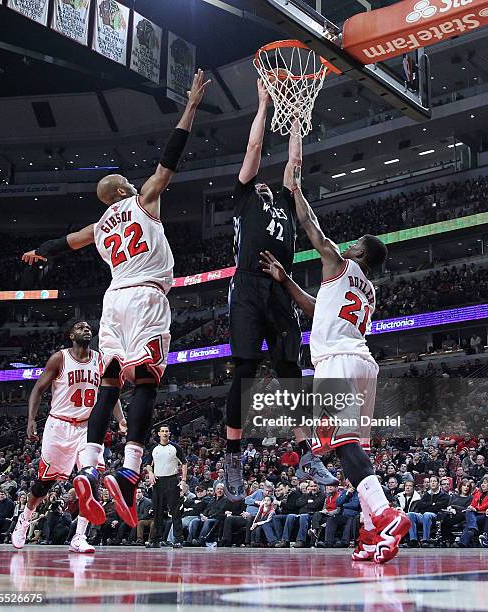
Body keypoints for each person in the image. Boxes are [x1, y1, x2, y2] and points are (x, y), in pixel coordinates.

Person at [21, 71, 210, 529]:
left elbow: (66, 242)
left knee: (110, 384)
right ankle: (127, 472)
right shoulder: (143, 200)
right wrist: (190, 107)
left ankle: (89, 465)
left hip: (112, 303)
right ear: (124, 190)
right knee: (146, 382)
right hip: (146, 297)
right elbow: (169, 162)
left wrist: (39, 251)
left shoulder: (100, 227)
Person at [259, 170, 410, 564]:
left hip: (337, 361)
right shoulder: (368, 290)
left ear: (359, 253)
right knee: (355, 447)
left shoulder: (339, 263)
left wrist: (295, 194)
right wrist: (286, 280)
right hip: (364, 363)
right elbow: (317, 309)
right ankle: (370, 534)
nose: (348, 245)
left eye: (355, 244)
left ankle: (384, 514)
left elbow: (312, 228)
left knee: (342, 445)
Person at [224, 79, 335, 502]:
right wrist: (265, 103)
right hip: (249, 287)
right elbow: (254, 150)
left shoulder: (286, 204)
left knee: (291, 370)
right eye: (260, 183)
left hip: (279, 288)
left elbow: (295, 161)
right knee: (246, 372)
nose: (266, 183)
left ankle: (307, 450)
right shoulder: (244, 198)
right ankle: (233, 456)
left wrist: (295, 112)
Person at [11, 322, 125, 553]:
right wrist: (31, 419)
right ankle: (25, 519)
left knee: (91, 480)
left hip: (88, 428)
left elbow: (110, 393)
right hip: (59, 425)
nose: (86, 329)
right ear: (71, 335)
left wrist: (121, 419)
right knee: (45, 483)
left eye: (87, 327)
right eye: (80, 327)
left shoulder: (100, 360)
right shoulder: (60, 359)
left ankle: (79, 536)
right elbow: (38, 389)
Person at [146, 425, 187, 548]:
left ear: (169, 433)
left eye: (166, 431)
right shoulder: (153, 448)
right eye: (162, 431)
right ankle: (155, 540)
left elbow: (184, 463)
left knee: (175, 511)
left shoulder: (176, 447)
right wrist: (150, 473)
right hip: (158, 481)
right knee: (157, 512)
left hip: (172, 480)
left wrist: (184, 480)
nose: (164, 433)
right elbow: (148, 464)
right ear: (158, 433)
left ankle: (178, 539)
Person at [405, 475, 449, 547]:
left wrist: (428, 506)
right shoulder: (427, 494)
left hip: (436, 516)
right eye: (431, 481)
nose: (432, 483)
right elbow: (420, 505)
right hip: (423, 515)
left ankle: (426, 540)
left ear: (438, 483)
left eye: (434, 481)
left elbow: (438, 507)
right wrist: (432, 504)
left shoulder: (444, 496)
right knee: (410, 514)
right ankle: (413, 540)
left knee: (427, 514)